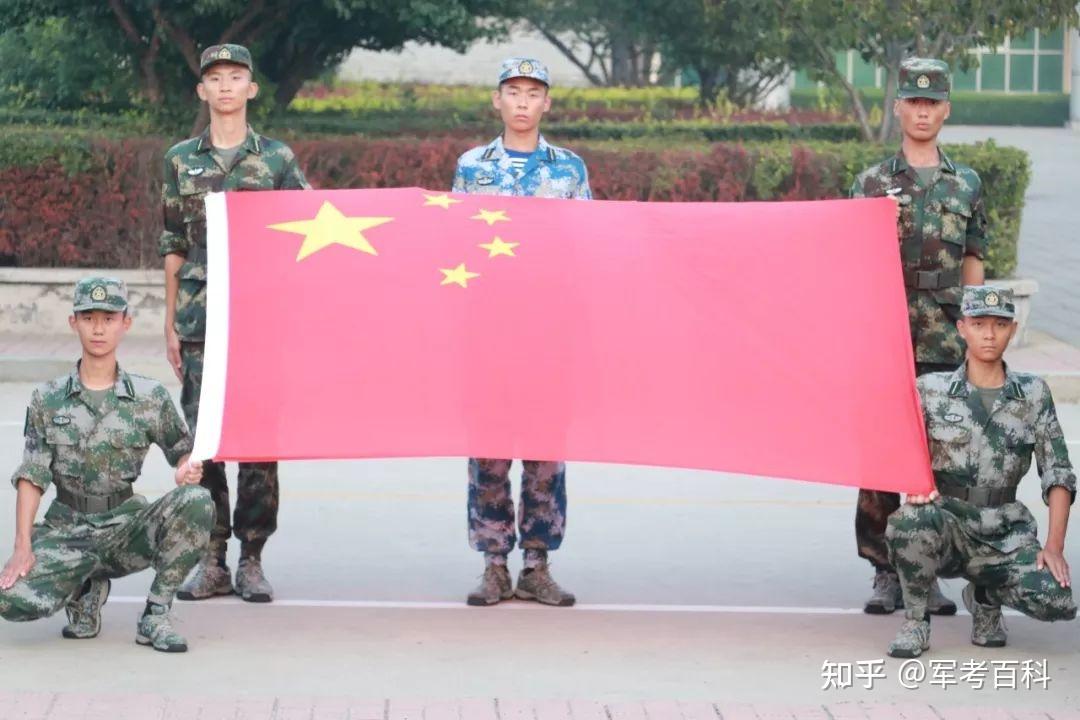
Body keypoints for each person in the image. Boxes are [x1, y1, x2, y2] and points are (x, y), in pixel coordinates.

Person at [161, 44, 310, 603]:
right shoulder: (181, 160)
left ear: (252, 88)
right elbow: (172, 243)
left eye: (236, 76)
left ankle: (252, 558)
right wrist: (170, 322)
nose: (225, 86)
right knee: (206, 440)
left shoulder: (276, 159)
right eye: (215, 78)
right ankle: (212, 558)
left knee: (258, 441)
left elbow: (307, 234)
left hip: (260, 318)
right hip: (201, 317)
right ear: (202, 90)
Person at [0, 277, 210, 653]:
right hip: (67, 530)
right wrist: (22, 545)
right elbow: (33, 475)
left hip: (125, 528)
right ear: (73, 322)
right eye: (89, 318)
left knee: (197, 501)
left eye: (109, 318)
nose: (98, 329)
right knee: (10, 599)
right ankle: (85, 588)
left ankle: (156, 614)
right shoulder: (48, 398)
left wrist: (185, 467)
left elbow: (182, 450)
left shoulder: (149, 397)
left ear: (125, 323)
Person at [850, 57, 989, 615]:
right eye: (914, 101)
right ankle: (886, 570)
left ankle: (925, 572)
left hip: (946, 342)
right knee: (882, 454)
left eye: (932, 102)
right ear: (899, 107)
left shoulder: (966, 183)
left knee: (941, 460)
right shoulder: (871, 184)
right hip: (887, 338)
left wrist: (976, 332)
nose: (923, 111)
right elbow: (850, 262)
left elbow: (974, 260)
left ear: (946, 109)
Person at [451, 57, 591, 606]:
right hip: (488, 328)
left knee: (544, 448)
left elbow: (588, 241)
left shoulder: (569, 169)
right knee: (488, 448)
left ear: (547, 103)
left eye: (534, 93)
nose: (523, 102)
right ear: (497, 100)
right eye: (513, 92)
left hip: (548, 329)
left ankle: (537, 563)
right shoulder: (472, 167)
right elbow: (454, 241)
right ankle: (493, 563)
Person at [886, 285, 1076, 657]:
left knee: (1056, 600)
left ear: (1012, 329)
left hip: (1006, 532)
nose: (989, 334)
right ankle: (916, 622)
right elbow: (897, 450)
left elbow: (1058, 473)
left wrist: (1054, 547)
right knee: (908, 523)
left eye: (999, 325)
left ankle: (985, 598)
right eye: (978, 324)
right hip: (948, 523)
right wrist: (913, 485)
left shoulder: (1033, 394)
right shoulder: (930, 391)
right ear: (962, 328)